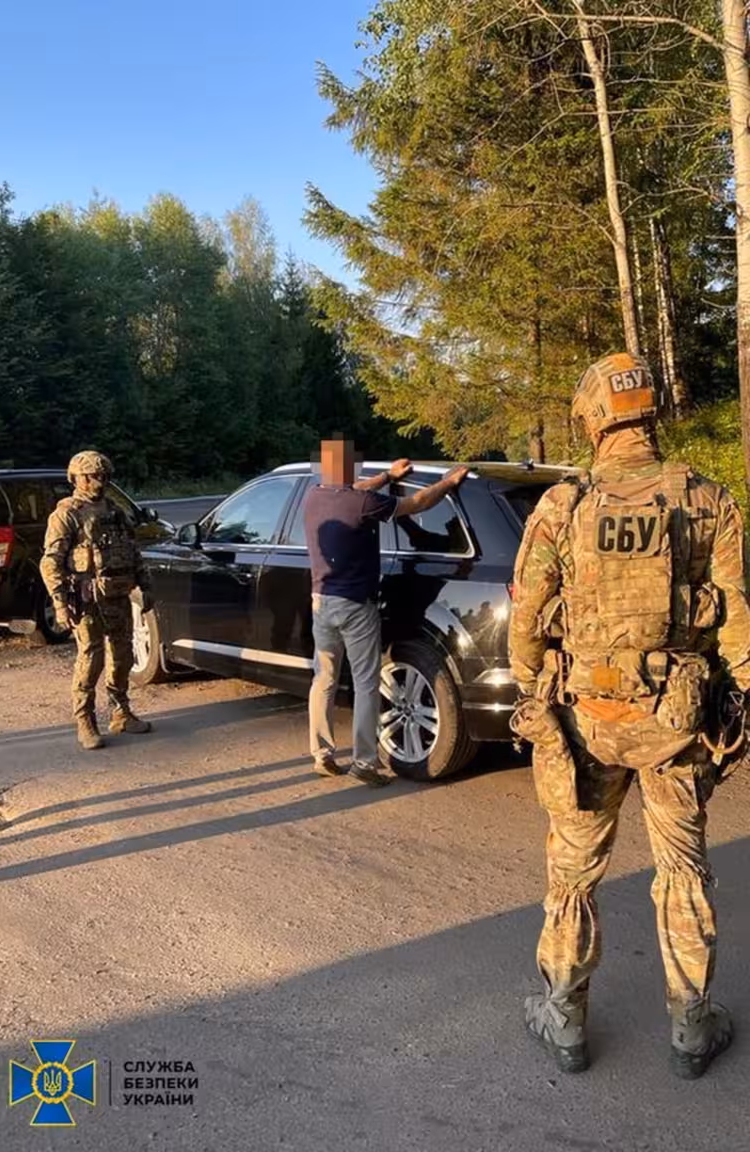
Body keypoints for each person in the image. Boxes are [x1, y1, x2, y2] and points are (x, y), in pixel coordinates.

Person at [508, 352, 750, 1079]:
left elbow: (526, 623)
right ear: (651, 413)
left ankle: (563, 1016)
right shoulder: (707, 501)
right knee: (682, 870)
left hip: (587, 723)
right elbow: (738, 621)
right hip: (677, 724)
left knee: (574, 872)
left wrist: (536, 696)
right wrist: (739, 693)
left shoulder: (563, 506)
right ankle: (691, 1026)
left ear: (592, 418)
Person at [304, 439, 468, 786]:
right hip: (354, 606)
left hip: (321, 601)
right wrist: (448, 483)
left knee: (324, 678)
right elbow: (417, 502)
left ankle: (322, 754)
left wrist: (387, 476)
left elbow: (356, 489)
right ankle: (365, 763)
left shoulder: (315, 495)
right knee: (366, 682)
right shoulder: (362, 502)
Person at [40, 451, 154, 750]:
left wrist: (145, 585)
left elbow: (132, 550)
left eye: (103, 476)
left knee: (122, 655)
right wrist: (60, 603)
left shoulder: (115, 511)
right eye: (91, 476)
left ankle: (121, 712)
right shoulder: (67, 514)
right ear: (76, 478)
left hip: (117, 594)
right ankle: (85, 719)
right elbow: (50, 562)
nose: (98, 481)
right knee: (91, 658)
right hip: (86, 598)